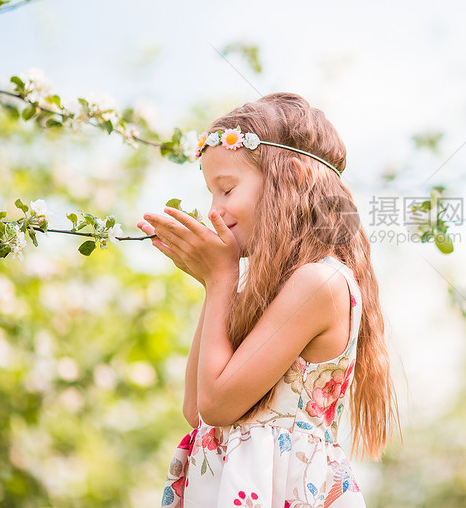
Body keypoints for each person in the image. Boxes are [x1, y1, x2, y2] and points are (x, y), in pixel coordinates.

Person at [136, 93, 401, 508]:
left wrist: (221, 276)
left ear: (291, 178)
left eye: (226, 189)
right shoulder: (267, 291)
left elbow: (218, 405)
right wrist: (215, 285)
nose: (215, 211)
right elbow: (198, 410)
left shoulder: (319, 282)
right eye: (211, 193)